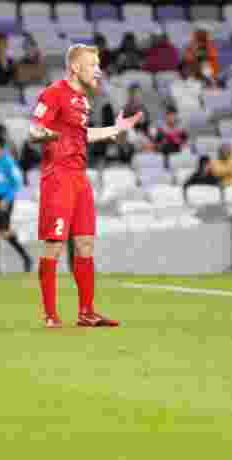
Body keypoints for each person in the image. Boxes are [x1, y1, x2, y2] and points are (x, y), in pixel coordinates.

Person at [29, 43, 143, 328]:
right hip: (58, 176)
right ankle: (51, 315)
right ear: (75, 67)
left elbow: (80, 135)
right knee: (55, 245)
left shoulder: (82, 100)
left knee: (85, 243)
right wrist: (45, 135)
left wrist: (116, 130)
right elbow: (34, 129)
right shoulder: (54, 92)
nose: (98, 71)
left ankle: (87, 312)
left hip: (80, 177)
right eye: (93, 65)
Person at [0, 133, 31, 273]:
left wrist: (7, 199)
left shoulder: (8, 162)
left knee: (4, 232)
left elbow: (17, 183)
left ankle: (26, 258)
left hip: (4, 200)